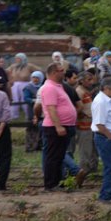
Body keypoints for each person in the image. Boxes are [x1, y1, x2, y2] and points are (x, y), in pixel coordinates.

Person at [41, 63, 77, 191]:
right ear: (54, 72)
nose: (64, 72)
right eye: (61, 70)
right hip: (54, 127)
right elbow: (51, 108)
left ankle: (56, 182)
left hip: (64, 125)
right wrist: (58, 126)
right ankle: (50, 184)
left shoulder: (58, 86)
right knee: (53, 157)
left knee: (59, 156)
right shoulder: (50, 88)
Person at [91, 77, 111, 203]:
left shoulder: (108, 100)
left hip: (110, 136)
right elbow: (99, 124)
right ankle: (106, 196)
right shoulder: (101, 102)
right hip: (105, 137)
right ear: (107, 88)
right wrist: (110, 137)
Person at [75, 71, 98, 187]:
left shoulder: (85, 92)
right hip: (84, 126)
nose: (91, 82)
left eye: (91, 79)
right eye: (88, 80)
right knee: (86, 151)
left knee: (92, 150)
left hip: (90, 125)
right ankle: (82, 174)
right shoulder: (79, 92)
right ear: (81, 81)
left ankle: (90, 171)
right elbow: (77, 108)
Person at [7, 53, 41, 120]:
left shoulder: (29, 66)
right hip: (15, 85)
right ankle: (14, 115)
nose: (17, 60)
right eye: (16, 58)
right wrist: (9, 79)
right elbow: (6, 71)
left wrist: (33, 78)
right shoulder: (13, 66)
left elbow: (39, 70)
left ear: (22, 59)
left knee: (24, 99)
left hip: (25, 84)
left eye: (18, 58)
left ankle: (28, 115)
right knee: (14, 99)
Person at [23, 71, 44, 152]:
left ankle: (40, 146)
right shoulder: (28, 87)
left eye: (37, 78)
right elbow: (26, 98)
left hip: (42, 111)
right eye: (33, 77)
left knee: (41, 129)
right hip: (31, 111)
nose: (35, 79)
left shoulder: (43, 86)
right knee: (31, 129)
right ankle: (30, 147)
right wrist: (34, 101)